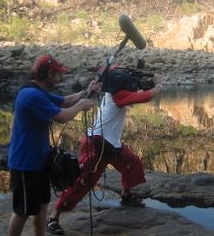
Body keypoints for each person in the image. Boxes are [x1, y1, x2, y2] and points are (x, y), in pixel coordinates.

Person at [46, 68, 163, 235]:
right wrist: (158, 85)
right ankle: (53, 217)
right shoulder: (119, 96)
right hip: (97, 144)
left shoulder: (114, 92)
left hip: (110, 144)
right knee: (82, 182)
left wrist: (146, 83)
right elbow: (144, 96)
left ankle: (126, 194)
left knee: (132, 162)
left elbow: (138, 91)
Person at [8, 54, 101, 236]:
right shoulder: (31, 95)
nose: (61, 78)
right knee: (22, 212)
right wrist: (81, 105)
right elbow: (62, 116)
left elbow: (64, 101)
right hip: (25, 163)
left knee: (42, 206)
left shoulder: (37, 91)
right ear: (50, 74)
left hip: (39, 160)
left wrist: (85, 92)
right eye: (59, 74)